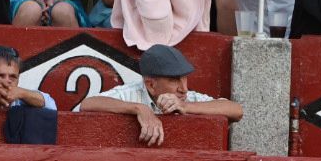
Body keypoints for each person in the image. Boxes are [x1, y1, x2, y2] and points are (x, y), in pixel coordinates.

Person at [76, 43, 242, 146]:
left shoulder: (187, 98)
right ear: (151, 85)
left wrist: (186, 106)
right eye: (174, 80)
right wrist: (139, 109)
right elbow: (87, 104)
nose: (183, 88)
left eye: (184, 78)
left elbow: (236, 110)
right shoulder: (133, 94)